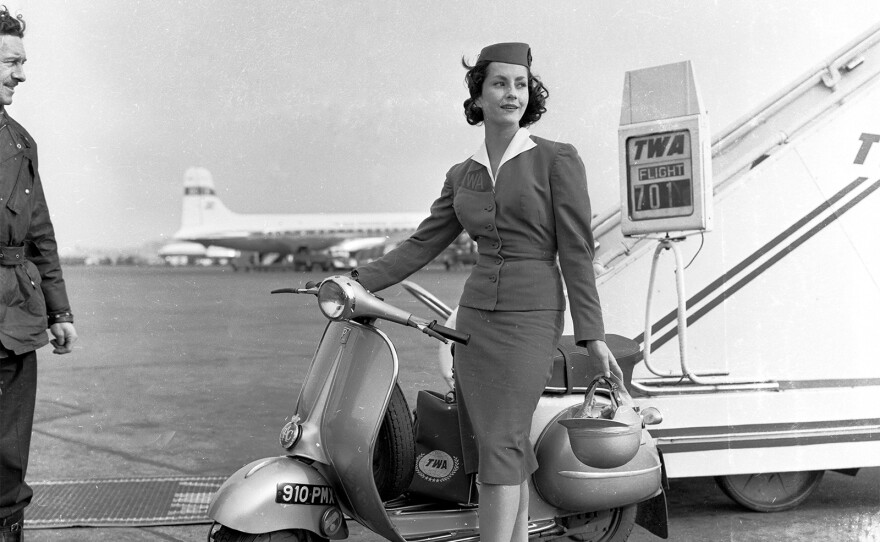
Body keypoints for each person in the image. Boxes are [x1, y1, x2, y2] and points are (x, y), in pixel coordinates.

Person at [351, 42, 623, 542]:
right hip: (473, 321)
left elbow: (577, 253)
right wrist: (352, 281)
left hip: (532, 317)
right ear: (478, 96)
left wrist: (593, 335)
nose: (512, 93)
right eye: (500, 83)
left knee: (500, 446)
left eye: (521, 84)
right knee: (497, 447)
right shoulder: (462, 175)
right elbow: (420, 245)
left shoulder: (556, 159)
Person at [0, 9, 78, 541]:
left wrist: (59, 311)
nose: (22, 74)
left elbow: (40, 234)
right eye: (11, 61)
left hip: (14, 318)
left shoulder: (21, 141)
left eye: (22, 62)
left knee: (7, 457)